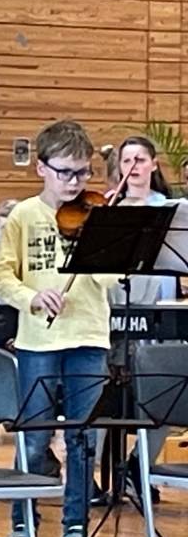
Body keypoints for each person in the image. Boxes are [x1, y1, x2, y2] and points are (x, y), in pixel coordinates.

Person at [0, 119, 115, 537]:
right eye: (65, 172)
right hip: (38, 342)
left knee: (83, 439)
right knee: (33, 438)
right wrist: (32, 297)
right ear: (41, 168)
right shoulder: (24, 216)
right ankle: (22, 529)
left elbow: (109, 278)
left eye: (83, 173)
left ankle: (77, 530)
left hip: (89, 337)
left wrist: (101, 245)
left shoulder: (98, 216)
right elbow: (1, 275)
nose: (75, 183)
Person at [104, 136, 175, 503]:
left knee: (170, 392)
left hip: (157, 310)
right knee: (101, 394)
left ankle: (137, 464)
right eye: (126, 160)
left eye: (140, 159)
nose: (133, 166)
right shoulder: (108, 209)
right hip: (115, 312)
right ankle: (87, 477)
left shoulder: (170, 210)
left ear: (153, 165)